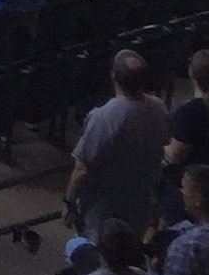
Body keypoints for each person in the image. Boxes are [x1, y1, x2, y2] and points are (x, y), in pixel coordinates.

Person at [65, 53, 166, 241]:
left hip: (103, 212)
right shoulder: (159, 107)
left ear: (113, 77)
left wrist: (69, 202)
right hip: (140, 205)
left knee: (100, 259)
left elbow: (81, 169)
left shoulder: (104, 118)